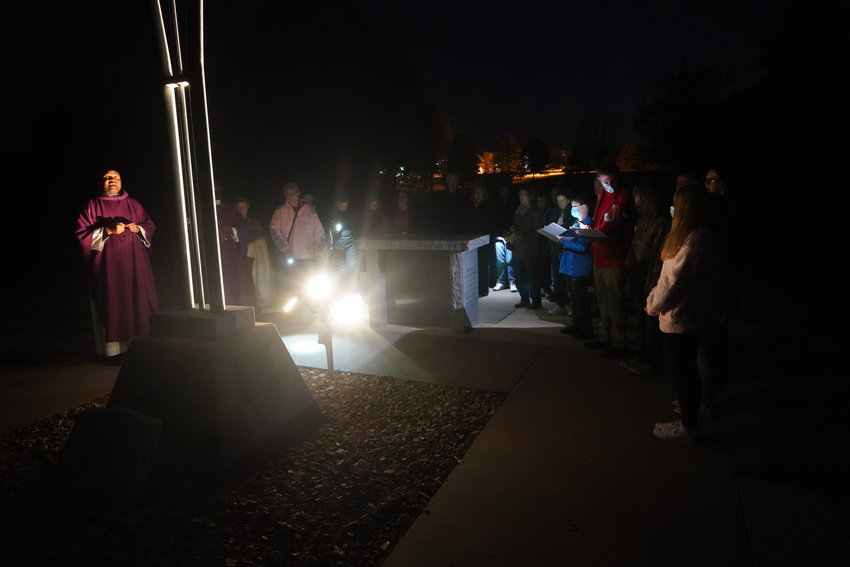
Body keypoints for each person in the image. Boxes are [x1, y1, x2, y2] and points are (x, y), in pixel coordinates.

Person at [646, 182, 723, 442]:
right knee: (687, 371)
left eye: (675, 204)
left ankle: (688, 426)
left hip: (680, 317)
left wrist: (653, 305)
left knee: (684, 372)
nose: (671, 208)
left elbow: (672, 284)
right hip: (687, 314)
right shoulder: (698, 236)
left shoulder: (693, 242)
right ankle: (689, 414)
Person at [75, 169, 159, 361]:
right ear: (101, 182)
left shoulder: (133, 204)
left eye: (117, 177)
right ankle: (113, 352)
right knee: (112, 301)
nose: (113, 180)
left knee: (136, 299)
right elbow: (82, 236)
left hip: (134, 266)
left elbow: (150, 226)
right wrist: (107, 230)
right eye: (108, 177)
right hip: (108, 267)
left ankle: (138, 347)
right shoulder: (92, 206)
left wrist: (139, 229)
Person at [619, 181, 671, 376]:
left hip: (650, 274)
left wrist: (653, 281)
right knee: (640, 319)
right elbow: (634, 246)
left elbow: (657, 253)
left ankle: (652, 361)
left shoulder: (661, 223)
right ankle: (642, 357)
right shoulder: (641, 221)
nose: (636, 200)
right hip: (636, 273)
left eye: (639, 196)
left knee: (650, 321)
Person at [585, 164, 634, 358]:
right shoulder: (602, 196)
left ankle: (619, 341)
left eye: (608, 181)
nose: (606, 185)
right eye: (602, 181)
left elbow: (625, 226)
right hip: (599, 255)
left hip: (613, 257)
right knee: (602, 299)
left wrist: (612, 236)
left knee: (615, 300)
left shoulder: (623, 197)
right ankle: (605, 335)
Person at [269, 182, 326, 298]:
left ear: (299, 193)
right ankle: (295, 312)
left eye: (293, 194)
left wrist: (320, 250)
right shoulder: (280, 211)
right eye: (287, 194)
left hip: (309, 256)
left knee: (310, 286)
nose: (290, 197)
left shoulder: (309, 209)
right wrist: (285, 248)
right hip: (291, 256)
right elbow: (274, 231)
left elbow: (319, 232)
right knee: (292, 287)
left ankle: (311, 310)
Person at [558, 193, 595, 339]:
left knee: (580, 299)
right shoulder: (575, 224)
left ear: (585, 207)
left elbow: (582, 246)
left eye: (575, 206)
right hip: (569, 265)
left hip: (579, 267)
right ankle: (577, 323)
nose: (572, 209)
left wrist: (563, 240)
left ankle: (586, 328)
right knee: (573, 297)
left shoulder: (588, 224)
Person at [234, 196, 274, 308]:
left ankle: (263, 300)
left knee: (261, 275)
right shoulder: (236, 223)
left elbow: (261, 235)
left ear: (247, 207)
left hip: (260, 257)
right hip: (245, 255)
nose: (241, 210)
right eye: (239, 208)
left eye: (243, 207)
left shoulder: (254, 222)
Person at [216, 190, 253, 306]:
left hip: (231, 257)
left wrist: (231, 230)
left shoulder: (230, 211)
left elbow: (244, 230)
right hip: (213, 258)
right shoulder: (201, 210)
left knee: (235, 286)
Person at [510, 187, 544, 309]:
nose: (521, 197)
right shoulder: (518, 210)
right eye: (520, 194)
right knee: (520, 276)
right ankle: (524, 299)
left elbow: (538, 231)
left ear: (529, 196)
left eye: (524, 194)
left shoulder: (535, 211)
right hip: (519, 249)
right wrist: (513, 229)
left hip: (530, 249)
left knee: (532, 277)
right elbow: (515, 223)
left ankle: (536, 301)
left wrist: (523, 235)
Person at [467, 181, 498, 296]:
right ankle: (475, 287)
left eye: (479, 192)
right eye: (476, 193)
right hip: (472, 240)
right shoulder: (471, 206)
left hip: (484, 240)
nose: (477, 195)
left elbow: (489, 223)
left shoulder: (488, 206)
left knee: (483, 265)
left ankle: (483, 288)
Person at [545, 188, 572, 314]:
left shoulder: (572, 213)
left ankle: (570, 304)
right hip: (555, 248)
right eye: (558, 201)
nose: (561, 204)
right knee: (557, 276)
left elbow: (570, 230)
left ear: (569, 200)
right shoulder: (555, 212)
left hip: (566, 249)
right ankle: (560, 302)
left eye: (563, 201)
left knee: (567, 278)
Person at [493, 184, 518, 292]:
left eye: (506, 191)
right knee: (500, 260)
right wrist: (501, 231)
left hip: (511, 236)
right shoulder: (496, 204)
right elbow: (494, 219)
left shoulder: (514, 204)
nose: (504, 193)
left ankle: (513, 282)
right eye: (502, 191)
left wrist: (510, 231)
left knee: (510, 260)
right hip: (499, 236)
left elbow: (515, 220)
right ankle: (501, 281)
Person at [327, 192, 358, 273]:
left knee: (351, 265)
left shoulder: (352, 212)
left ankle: (350, 282)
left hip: (350, 244)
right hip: (338, 244)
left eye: (345, 205)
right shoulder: (333, 214)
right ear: (337, 204)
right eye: (341, 205)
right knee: (339, 266)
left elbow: (355, 226)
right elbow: (331, 228)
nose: (343, 207)